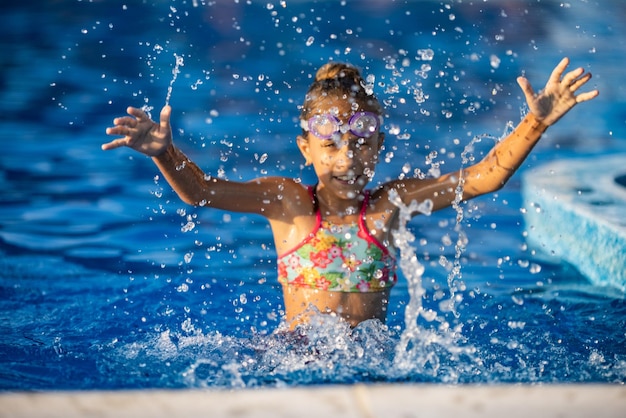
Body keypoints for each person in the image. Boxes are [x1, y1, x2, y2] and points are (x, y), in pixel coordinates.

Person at [102, 57, 598, 329]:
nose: (347, 159)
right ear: (306, 149)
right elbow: (201, 192)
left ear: (379, 147)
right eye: (331, 145)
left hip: (373, 363)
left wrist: (536, 121)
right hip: (292, 358)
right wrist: (164, 153)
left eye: (362, 145)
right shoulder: (287, 203)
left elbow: (485, 177)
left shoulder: (389, 205)